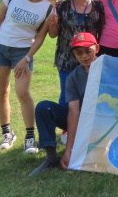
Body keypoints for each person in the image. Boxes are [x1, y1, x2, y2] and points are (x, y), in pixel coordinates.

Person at [0, 0, 58, 153]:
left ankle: (30, 138)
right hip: (0, 47)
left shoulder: (49, 8)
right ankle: (7, 134)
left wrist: (27, 58)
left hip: (23, 51)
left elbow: (40, 37)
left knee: (23, 92)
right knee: (1, 92)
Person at [29, 32, 99, 176]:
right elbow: (73, 111)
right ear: (74, 54)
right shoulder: (73, 77)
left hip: (103, 120)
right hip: (82, 119)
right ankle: (51, 157)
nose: (84, 56)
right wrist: (69, 151)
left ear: (96, 48)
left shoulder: (109, 68)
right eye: (79, 53)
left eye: (88, 51)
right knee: (44, 107)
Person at [48, 0, 105, 105]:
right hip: (66, 59)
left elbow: (101, 32)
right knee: (67, 99)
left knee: (92, 98)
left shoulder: (98, 6)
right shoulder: (61, 6)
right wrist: (52, 24)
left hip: (90, 60)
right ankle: (67, 126)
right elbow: (53, 34)